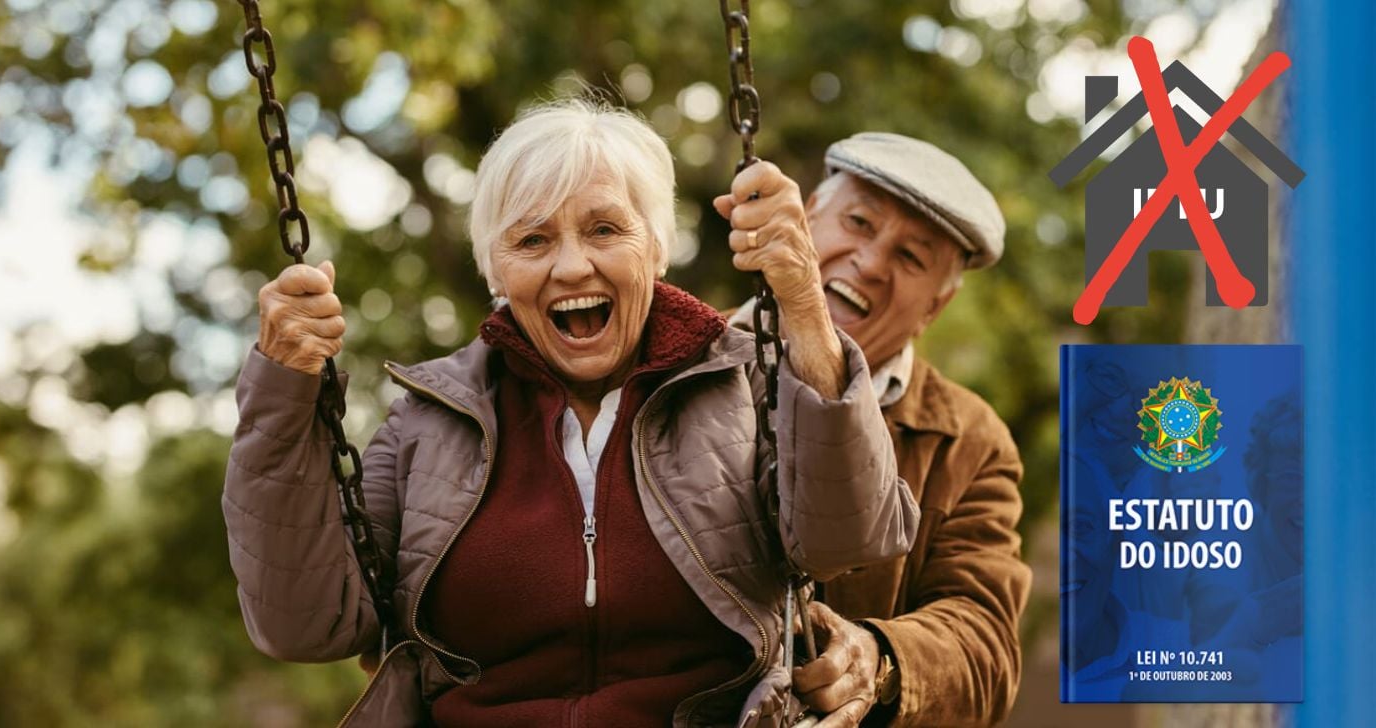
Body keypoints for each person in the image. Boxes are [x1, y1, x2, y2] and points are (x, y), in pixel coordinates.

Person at [222, 100, 918, 727]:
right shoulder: (425, 424)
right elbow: (304, 627)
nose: (571, 267)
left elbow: (847, 540)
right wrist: (283, 388)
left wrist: (801, 306)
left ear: (656, 246)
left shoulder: (744, 384)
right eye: (531, 241)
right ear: (496, 270)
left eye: (604, 229)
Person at [717, 133, 1031, 726]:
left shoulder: (970, 441)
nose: (873, 261)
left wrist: (879, 657)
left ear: (936, 307)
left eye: (911, 257)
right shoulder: (677, 364)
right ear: (807, 217)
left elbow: (985, 643)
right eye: (859, 222)